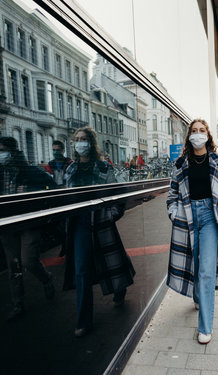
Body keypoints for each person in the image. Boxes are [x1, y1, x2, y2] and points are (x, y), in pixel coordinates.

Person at [167, 119, 218, 345]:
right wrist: (175, 213)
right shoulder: (180, 163)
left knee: (207, 271)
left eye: (202, 131)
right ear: (188, 136)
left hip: (211, 217)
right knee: (195, 264)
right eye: (194, 131)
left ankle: (205, 326)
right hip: (186, 218)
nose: (197, 134)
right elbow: (171, 196)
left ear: (208, 136)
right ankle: (197, 296)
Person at [64, 126, 135, 337]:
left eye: (83, 139)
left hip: (101, 221)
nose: (80, 143)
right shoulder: (71, 169)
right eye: (77, 139)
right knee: (82, 270)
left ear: (91, 143)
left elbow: (119, 193)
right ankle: (84, 320)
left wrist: (112, 214)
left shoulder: (103, 167)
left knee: (113, 260)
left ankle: (120, 289)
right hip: (80, 224)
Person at [0, 137, 57, 321]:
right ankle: (18, 303)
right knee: (13, 265)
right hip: (7, 225)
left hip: (28, 223)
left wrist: (40, 208)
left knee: (29, 260)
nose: (1, 155)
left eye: (4, 150)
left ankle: (46, 279)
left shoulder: (30, 172)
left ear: (14, 151)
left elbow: (52, 188)